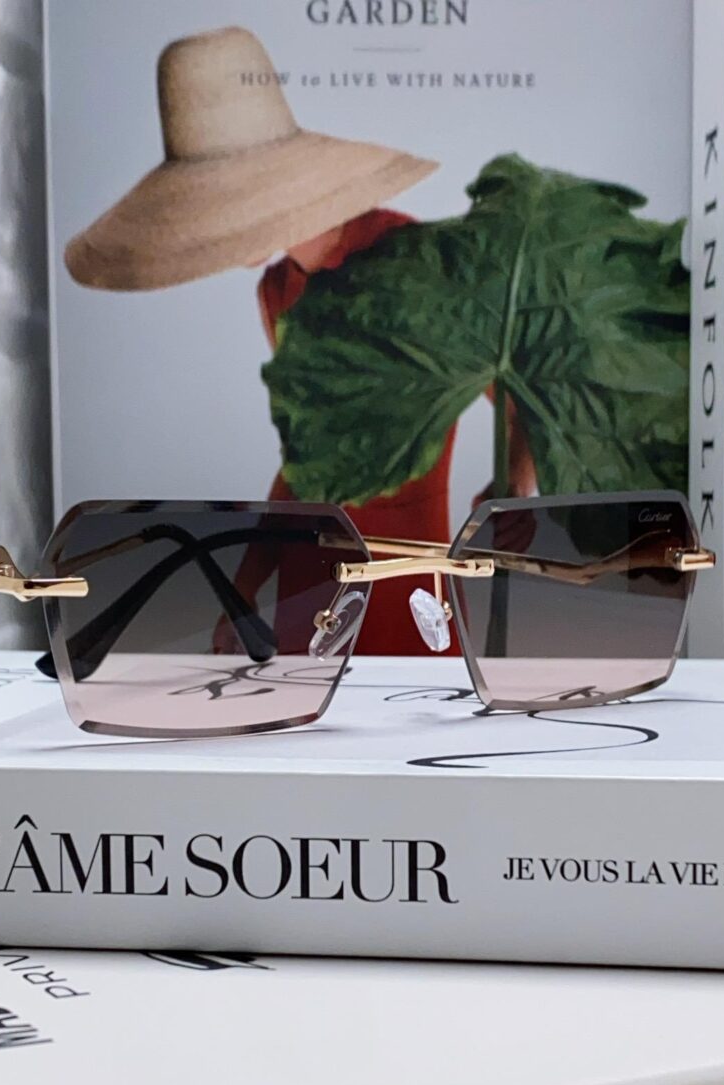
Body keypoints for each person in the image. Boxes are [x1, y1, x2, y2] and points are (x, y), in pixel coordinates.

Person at [66, 25, 535, 655]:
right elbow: (303, 462)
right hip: (305, 585)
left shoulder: (419, 267)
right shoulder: (276, 291)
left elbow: (520, 399)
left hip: (404, 582)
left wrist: (510, 492)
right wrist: (246, 588)